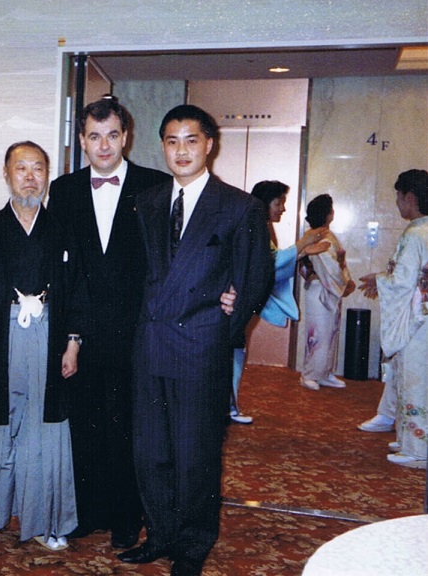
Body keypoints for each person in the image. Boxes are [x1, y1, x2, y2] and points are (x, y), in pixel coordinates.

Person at [119, 105, 273, 575]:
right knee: (151, 450)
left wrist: (220, 328)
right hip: (149, 344)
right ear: (162, 146)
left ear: (210, 144)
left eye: (190, 140)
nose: (181, 150)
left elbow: (254, 280)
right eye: (171, 141)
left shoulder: (239, 205)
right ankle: (161, 532)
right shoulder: (146, 201)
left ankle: (193, 542)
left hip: (199, 345)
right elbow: (135, 276)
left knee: (195, 451)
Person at [0, 141, 87, 553]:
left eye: (38, 168)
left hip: (49, 334)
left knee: (45, 430)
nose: (30, 176)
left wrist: (73, 345)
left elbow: (78, 291)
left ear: (47, 175)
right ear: (6, 174)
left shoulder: (62, 230)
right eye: (20, 168)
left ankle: (45, 522)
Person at [47, 97, 170, 548]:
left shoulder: (156, 187)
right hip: (76, 334)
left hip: (135, 333)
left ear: (126, 137)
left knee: (126, 428)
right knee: (81, 426)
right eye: (94, 137)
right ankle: (86, 512)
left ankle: (125, 516)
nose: (103, 146)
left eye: (112, 135)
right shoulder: (62, 190)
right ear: (82, 140)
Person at [229, 181, 329, 424]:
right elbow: (268, 263)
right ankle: (228, 406)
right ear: (265, 203)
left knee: (236, 349)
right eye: (279, 202)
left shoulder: (259, 225)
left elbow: (270, 261)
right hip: (236, 298)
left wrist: (302, 251)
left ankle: (229, 405)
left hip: (242, 297)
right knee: (233, 350)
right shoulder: (255, 226)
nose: (283, 209)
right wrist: (302, 245)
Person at [358, 169, 428, 467]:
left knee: (415, 380)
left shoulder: (415, 233)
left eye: (399, 197)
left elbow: (402, 282)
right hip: (422, 316)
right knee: (412, 377)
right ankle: (409, 436)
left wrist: (380, 278)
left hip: (417, 320)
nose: (398, 203)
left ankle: (418, 449)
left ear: (410, 198)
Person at [299, 194, 356, 391]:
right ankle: (309, 374)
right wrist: (345, 281)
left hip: (330, 289)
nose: (333, 213)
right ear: (327, 214)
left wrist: (344, 277)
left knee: (331, 332)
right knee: (318, 333)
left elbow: (338, 263)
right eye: (331, 210)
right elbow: (329, 267)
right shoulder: (317, 236)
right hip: (319, 289)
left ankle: (325, 373)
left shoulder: (327, 235)